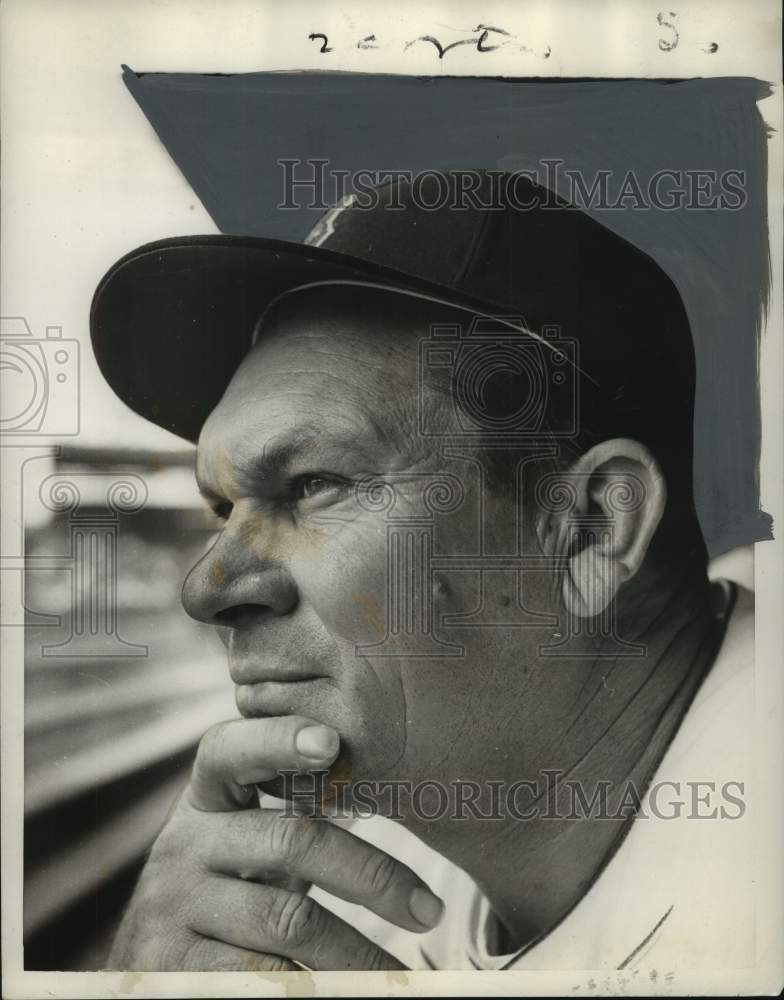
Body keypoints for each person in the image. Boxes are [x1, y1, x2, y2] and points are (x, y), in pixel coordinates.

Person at [90, 173, 753, 972]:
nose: (205, 588)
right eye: (221, 510)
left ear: (592, 530)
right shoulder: (369, 879)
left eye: (311, 485)